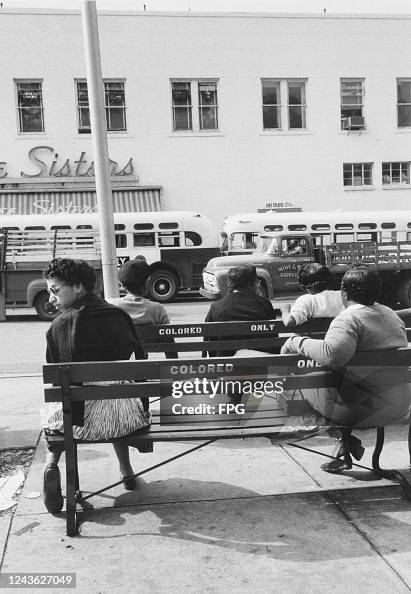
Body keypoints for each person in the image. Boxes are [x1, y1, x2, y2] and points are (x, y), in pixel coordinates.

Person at [42, 258, 151, 514]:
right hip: (123, 418)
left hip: (76, 422)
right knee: (114, 391)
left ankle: (51, 464)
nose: (50, 298)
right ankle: (126, 470)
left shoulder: (58, 325)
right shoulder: (119, 316)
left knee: (54, 414)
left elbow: (54, 379)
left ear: (78, 288)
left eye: (55, 290)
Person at [281, 266, 411, 474]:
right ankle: (346, 446)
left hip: (359, 411)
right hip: (399, 405)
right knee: (344, 384)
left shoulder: (349, 319)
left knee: (307, 384)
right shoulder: (390, 315)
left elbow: (332, 355)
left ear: (344, 294)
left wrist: (296, 342)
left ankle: (344, 442)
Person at [205, 263, 279, 356]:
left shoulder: (216, 307)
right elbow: (273, 338)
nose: (257, 286)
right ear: (250, 284)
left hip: (226, 364)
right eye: (256, 282)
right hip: (262, 362)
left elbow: (211, 343)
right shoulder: (264, 304)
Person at [107, 259, 176, 358]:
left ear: (123, 285)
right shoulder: (157, 309)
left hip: (120, 366)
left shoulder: (112, 305)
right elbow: (169, 342)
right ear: (147, 282)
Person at [280, 263, 344, 328]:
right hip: (338, 337)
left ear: (306, 286)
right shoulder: (343, 296)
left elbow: (289, 322)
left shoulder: (305, 300)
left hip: (312, 338)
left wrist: (285, 309)